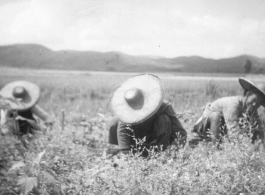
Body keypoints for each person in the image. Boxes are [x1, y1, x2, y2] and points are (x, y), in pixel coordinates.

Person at [107, 74, 187, 157]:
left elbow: (180, 133)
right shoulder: (125, 113)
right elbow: (122, 131)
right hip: (136, 139)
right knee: (114, 122)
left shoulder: (163, 106)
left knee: (164, 119)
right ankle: (114, 152)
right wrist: (126, 153)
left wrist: (172, 151)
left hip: (156, 139)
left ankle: (160, 151)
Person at [189, 78, 265, 147]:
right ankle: (216, 148)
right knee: (216, 116)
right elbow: (233, 130)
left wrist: (260, 146)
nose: (255, 104)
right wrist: (244, 146)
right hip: (203, 128)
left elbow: (258, 129)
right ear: (248, 95)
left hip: (219, 131)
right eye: (254, 100)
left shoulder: (251, 109)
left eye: (259, 103)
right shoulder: (233, 105)